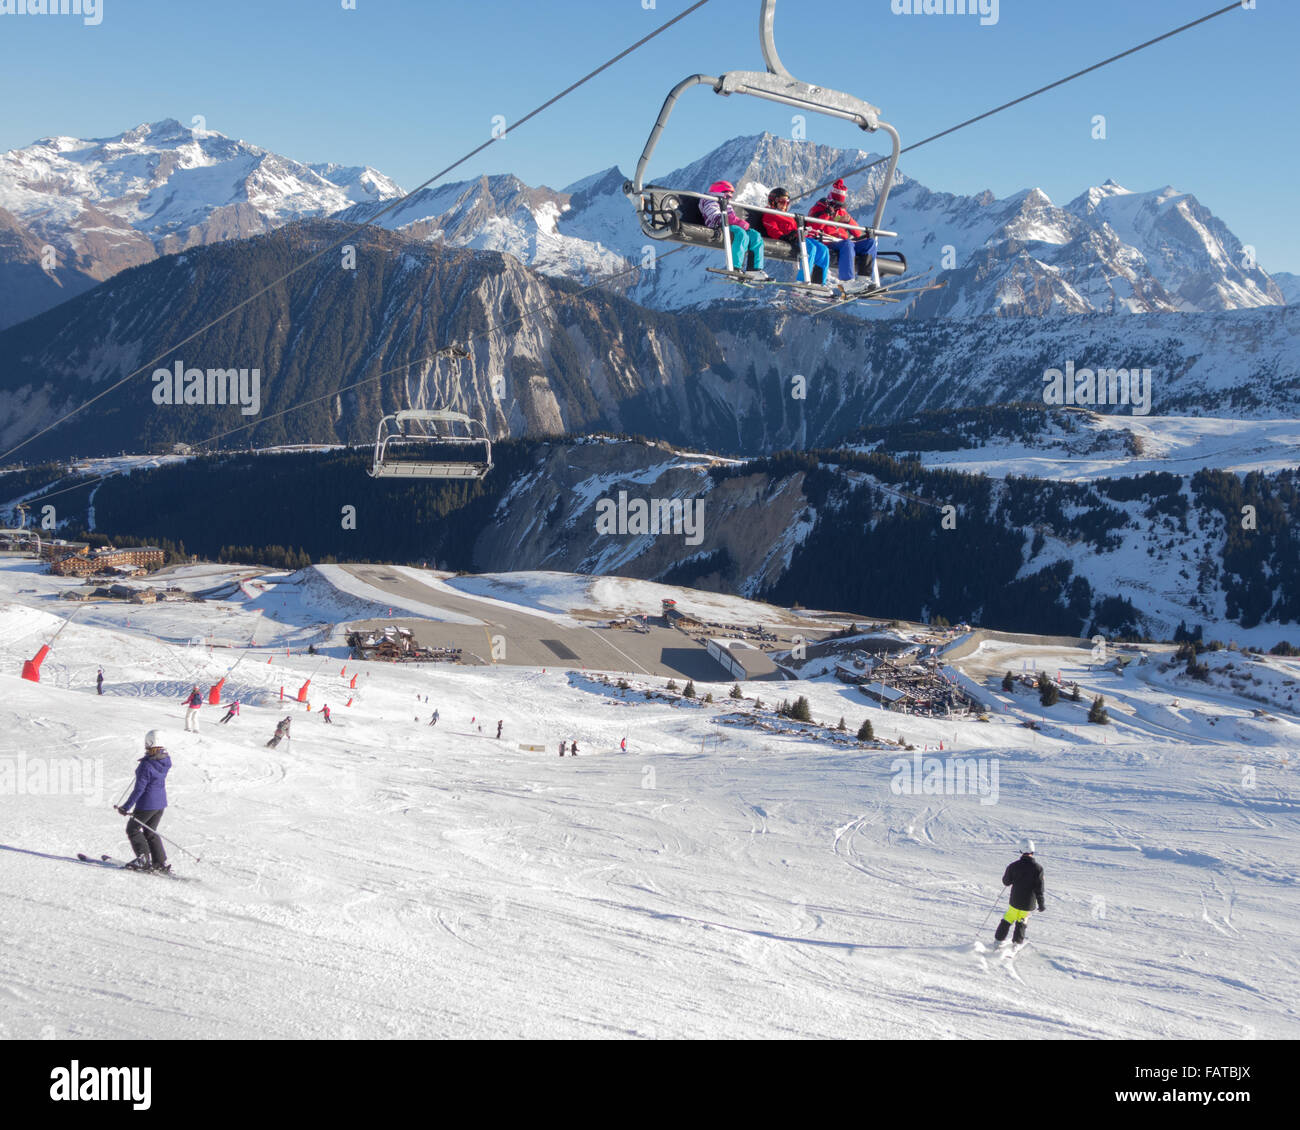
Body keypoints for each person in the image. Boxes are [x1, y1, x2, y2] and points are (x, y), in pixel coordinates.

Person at [117, 729, 172, 872]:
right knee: (150, 831)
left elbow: (139, 790)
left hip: (147, 804)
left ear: (149, 743)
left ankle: (143, 860)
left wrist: (126, 806)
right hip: (160, 804)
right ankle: (159, 862)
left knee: (133, 829)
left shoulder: (146, 766)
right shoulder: (165, 760)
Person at [809, 178, 878, 291]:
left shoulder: (842, 213)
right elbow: (814, 228)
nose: (837, 208)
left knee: (870, 243)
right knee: (848, 244)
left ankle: (863, 279)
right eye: (835, 205)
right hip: (828, 242)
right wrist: (826, 215)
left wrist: (849, 220)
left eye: (840, 205)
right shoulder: (818, 209)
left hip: (843, 242)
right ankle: (847, 281)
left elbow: (857, 233)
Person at [760, 186, 830, 285]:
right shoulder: (769, 214)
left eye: (787, 202)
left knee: (823, 250)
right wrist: (783, 236)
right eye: (781, 202)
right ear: (773, 202)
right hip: (791, 239)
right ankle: (802, 280)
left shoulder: (788, 216)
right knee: (810, 248)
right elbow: (772, 229)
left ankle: (819, 282)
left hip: (799, 236)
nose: (785, 205)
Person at [699, 180, 768, 279]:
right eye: (728, 194)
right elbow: (715, 216)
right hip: (718, 226)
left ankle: (754, 269)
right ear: (720, 191)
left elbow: (732, 217)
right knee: (741, 234)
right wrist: (737, 222)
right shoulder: (710, 200)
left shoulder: (726, 203)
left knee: (755, 235)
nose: (730, 197)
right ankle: (734, 267)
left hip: (730, 225)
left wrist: (738, 222)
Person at [994, 838, 1045, 947]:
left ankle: (998, 941)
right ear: (1033, 850)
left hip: (1015, 900)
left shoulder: (1013, 866)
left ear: (1020, 851)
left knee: (1008, 918)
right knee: (1022, 921)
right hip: (1028, 903)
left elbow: (1006, 882)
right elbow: (1039, 888)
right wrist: (1041, 904)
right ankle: (1016, 944)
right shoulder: (1038, 868)